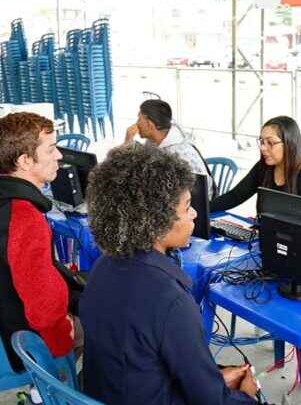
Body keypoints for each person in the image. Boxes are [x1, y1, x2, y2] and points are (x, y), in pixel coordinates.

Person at [80, 144, 258, 405]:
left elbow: (143, 359)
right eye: (187, 207)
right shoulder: (170, 300)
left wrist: (213, 379)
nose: (195, 213)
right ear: (157, 221)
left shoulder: (103, 267)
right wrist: (245, 396)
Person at [0, 112, 76, 372]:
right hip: (15, 348)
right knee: (104, 323)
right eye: (51, 149)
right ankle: (46, 393)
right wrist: (64, 331)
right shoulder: (25, 217)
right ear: (24, 161)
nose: (60, 156)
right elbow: (44, 310)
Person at [210, 115, 301, 213]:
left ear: (289, 143)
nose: (262, 148)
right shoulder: (263, 167)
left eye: (270, 143)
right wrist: (202, 209)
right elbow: (235, 196)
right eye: (261, 142)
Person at [124, 99, 214, 193]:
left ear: (149, 124)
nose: (136, 123)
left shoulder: (178, 153)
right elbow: (138, 162)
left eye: (139, 119)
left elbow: (197, 191)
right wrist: (128, 140)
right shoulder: (153, 141)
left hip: (194, 201)